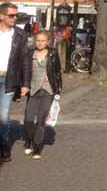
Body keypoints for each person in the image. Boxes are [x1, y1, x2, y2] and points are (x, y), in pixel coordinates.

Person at [21, 31, 62, 159]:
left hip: (48, 90)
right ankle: (28, 140)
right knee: (28, 119)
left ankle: (37, 148)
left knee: (40, 120)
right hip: (33, 90)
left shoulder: (53, 53)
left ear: (48, 41)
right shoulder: (29, 53)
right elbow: (25, 71)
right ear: (34, 41)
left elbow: (57, 72)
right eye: (38, 40)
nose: (40, 43)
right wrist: (24, 86)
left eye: (43, 40)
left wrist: (58, 90)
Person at [0, 2, 29, 162]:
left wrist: (25, 83)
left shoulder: (20, 34)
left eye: (16, 15)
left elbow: (25, 60)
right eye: (11, 15)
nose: (14, 18)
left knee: (3, 116)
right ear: (1, 16)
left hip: (8, 79)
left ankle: (4, 146)